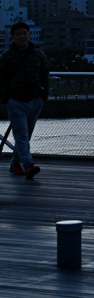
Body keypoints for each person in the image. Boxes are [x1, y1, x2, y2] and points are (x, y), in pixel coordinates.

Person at [0, 21, 49, 180]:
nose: (22, 36)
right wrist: (7, 99)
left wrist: (43, 96)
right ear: (12, 37)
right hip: (16, 102)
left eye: (24, 33)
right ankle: (28, 165)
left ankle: (15, 164)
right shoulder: (6, 57)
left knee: (25, 136)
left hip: (35, 101)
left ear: (29, 35)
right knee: (21, 135)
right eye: (18, 34)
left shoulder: (38, 54)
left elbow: (44, 75)